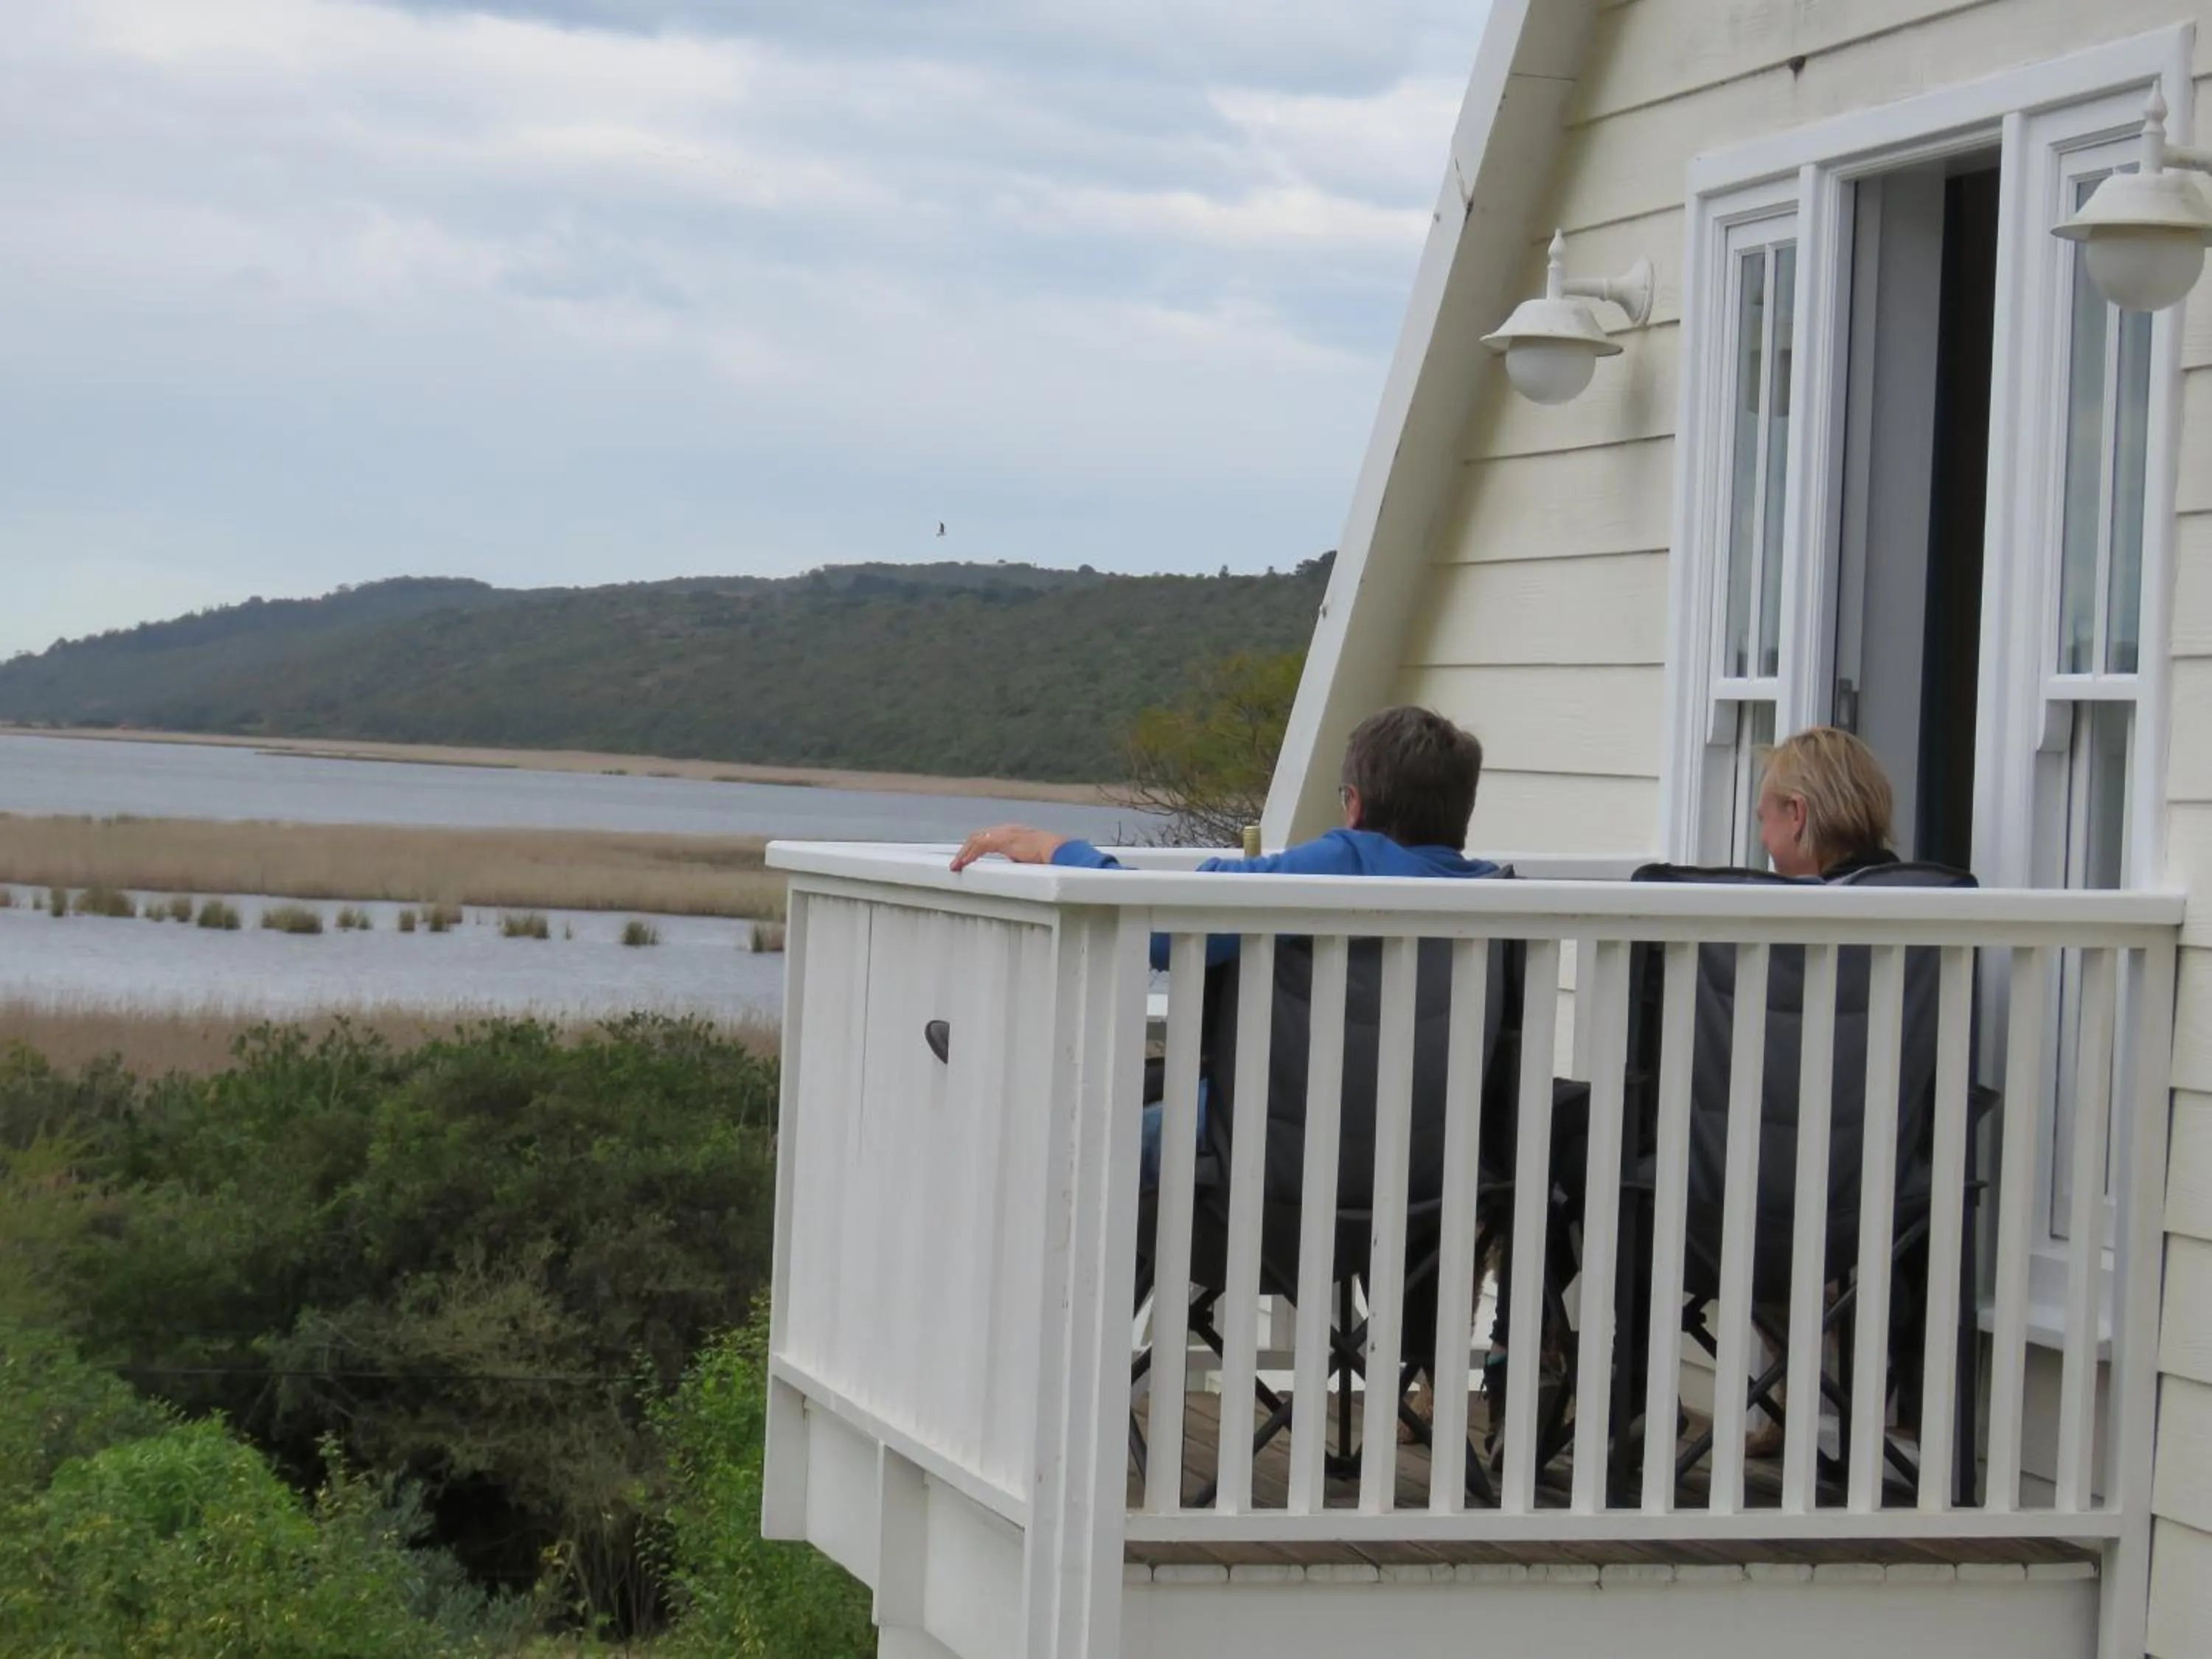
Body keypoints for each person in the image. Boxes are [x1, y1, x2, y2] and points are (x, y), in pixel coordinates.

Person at [950, 705, 1499, 1188]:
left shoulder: (1346, 863)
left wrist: (1057, 848)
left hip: (1270, 1162)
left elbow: (1165, 930)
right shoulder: (1491, 896)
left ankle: (998, 1082)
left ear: (1353, 805)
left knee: (1069, 1138)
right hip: (1423, 1173)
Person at [1753, 726, 1900, 880]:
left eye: (1763, 819)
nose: (1762, 839)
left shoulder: (1801, 904)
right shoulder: (1917, 891)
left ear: (1796, 813)